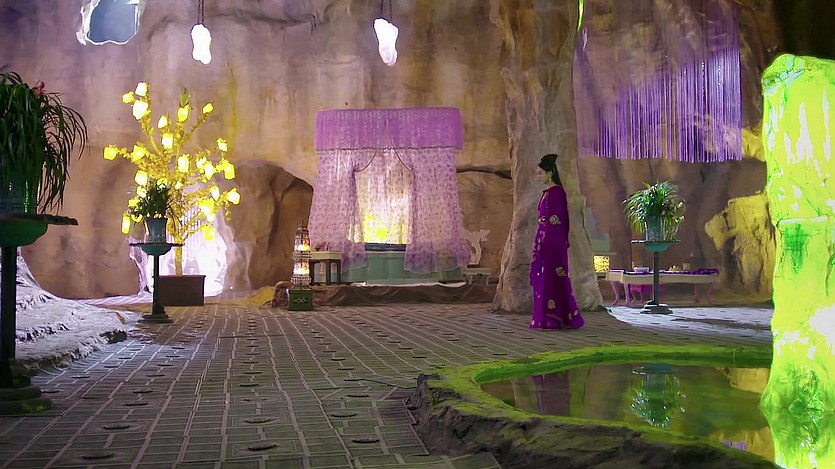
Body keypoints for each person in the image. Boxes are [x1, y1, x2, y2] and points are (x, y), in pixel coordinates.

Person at [530, 153, 584, 330]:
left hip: (552, 243)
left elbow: (558, 220)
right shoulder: (547, 193)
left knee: (553, 277)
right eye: (537, 173)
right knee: (544, 277)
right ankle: (547, 318)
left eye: (540, 173)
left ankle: (559, 317)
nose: (537, 176)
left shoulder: (557, 193)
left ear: (550, 173)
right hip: (544, 240)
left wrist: (549, 242)